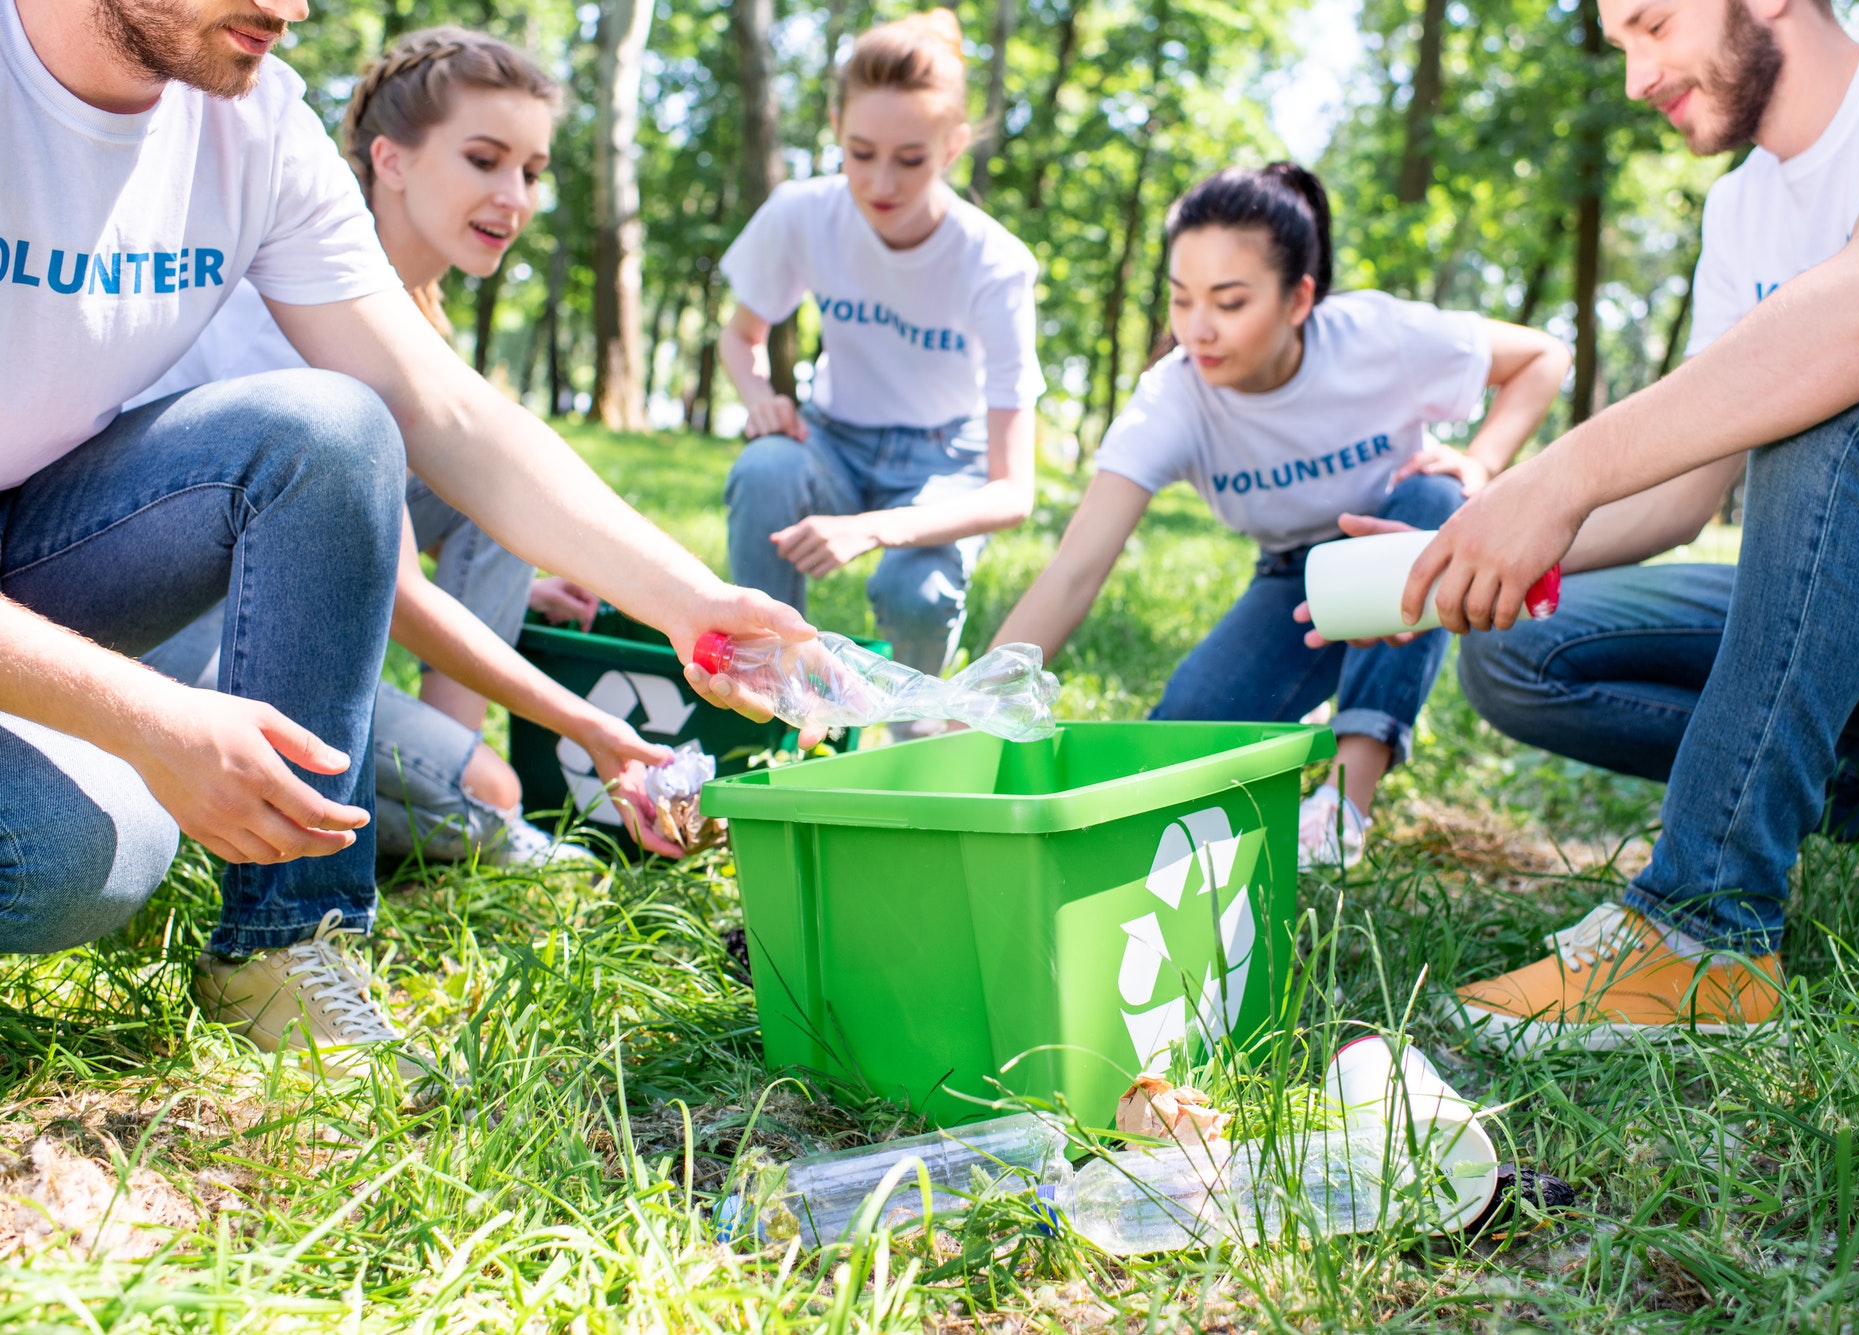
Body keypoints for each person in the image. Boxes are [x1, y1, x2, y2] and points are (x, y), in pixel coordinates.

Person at [0, 0, 811, 1079]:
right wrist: (143, 716)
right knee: (68, 857)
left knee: (331, 426)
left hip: (45, 547)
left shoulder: (254, 124)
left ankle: (285, 947)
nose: (292, 8)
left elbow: (445, 412)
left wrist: (686, 601)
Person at [1399, 0, 1859, 1050]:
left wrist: (1562, 466)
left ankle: (1701, 932)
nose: (1636, 78)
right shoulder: (1739, 212)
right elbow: (1679, 493)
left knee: (1844, 390)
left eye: (1650, 23)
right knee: (1521, 650)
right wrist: (1450, 557)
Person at [138, 28, 682, 866]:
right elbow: (394, 593)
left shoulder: (413, 307)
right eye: (484, 159)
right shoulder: (299, 302)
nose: (516, 196)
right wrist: (584, 723)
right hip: (164, 616)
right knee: (488, 796)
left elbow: (472, 474)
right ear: (389, 161)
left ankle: (445, 764)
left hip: (248, 571)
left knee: (498, 507)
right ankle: (203, 801)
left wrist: (544, 583)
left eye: (531, 172)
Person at [991, 163, 1570, 866]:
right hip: (1295, 577)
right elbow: (1075, 569)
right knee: (1172, 755)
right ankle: (1305, 721)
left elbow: (1544, 355)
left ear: (1299, 299)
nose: (1198, 330)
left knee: (1436, 497)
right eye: (1181, 301)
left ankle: (1343, 803)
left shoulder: (1374, 337)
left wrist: (1480, 463)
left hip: (1395, 537)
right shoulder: (1172, 400)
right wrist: (977, 709)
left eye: (1230, 303)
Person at [718, 9, 1043, 689]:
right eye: (861, 153)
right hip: (830, 438)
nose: (881, 185)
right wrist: (759, 398)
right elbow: (739, 334)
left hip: (944, 460)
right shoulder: (802, 213)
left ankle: (911, 733)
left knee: (914, 591)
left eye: (911, 160)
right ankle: (767, 694)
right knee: (765, 469)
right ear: (836, 128)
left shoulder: (994, 264)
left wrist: (872, 529)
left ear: (952, 147)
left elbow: (1014, 493)